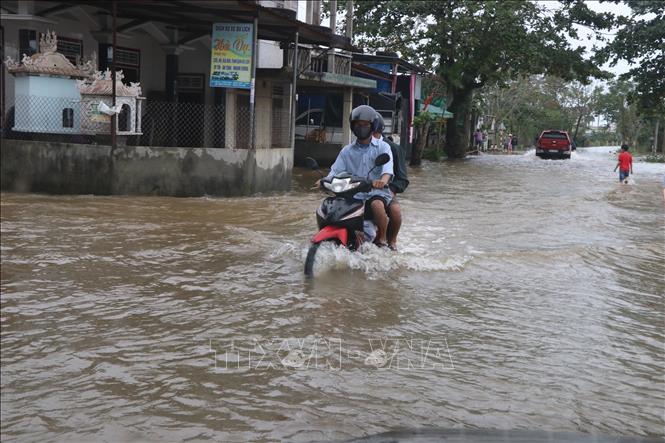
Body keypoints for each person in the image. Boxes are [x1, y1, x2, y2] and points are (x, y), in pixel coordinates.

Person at [313, 105, 393, 246]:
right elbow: (335, 172)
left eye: (365, 125)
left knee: (377, 205)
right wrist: (324, 180)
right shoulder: (347, 151)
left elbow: (387, 170)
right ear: (352, 126)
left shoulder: (383, 147)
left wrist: (382, 181)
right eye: (358, 125)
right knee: (331, 206)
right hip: (352, 193)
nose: (361, 127)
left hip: (375, 192)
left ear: (372, 126)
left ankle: (383, 239)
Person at [372, 113, 409, 251]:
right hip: (360, 188)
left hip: (385, 190)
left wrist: (390, 189)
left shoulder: (392, 148)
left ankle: (390, 241)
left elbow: (402, 179)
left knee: (395, 211)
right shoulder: (357, 146)